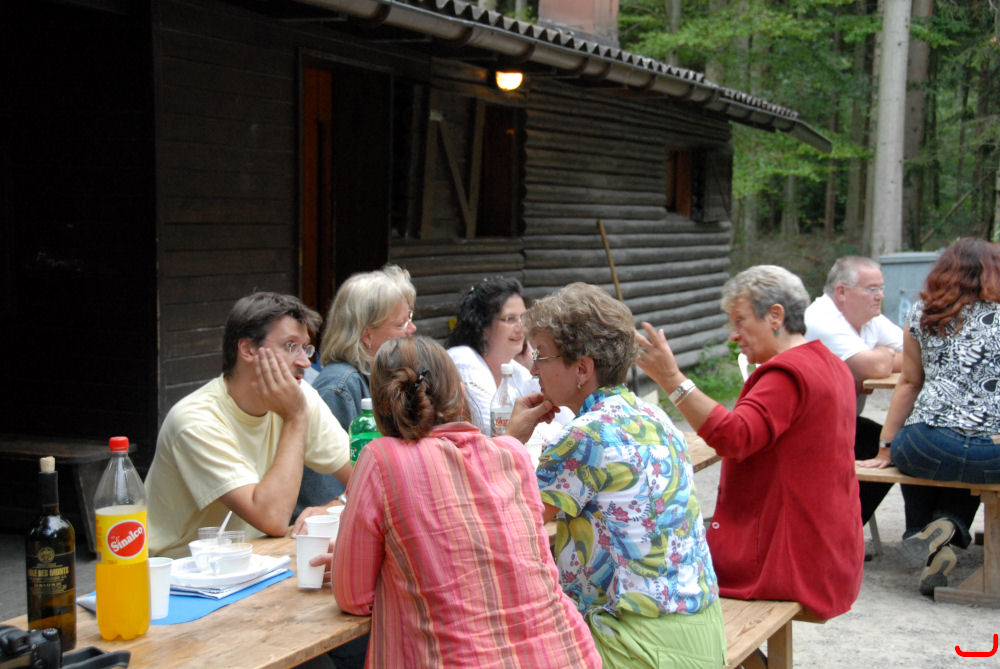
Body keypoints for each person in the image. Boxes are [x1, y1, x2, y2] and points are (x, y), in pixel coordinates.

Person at [331, 336, 601, 668]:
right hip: (569, 654)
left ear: (380, 405)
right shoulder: (512, 453)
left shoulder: (380, 458)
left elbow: (354, 597)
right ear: (460, 392)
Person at [637, 265, 864, 621]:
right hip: (828, 553)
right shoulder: (831, 364)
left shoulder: (787, 373)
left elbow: (733, 438)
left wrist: (671, 379)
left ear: (775, 316)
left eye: (740, 321)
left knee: (647, 581)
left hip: (787, 564)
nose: (733, 336)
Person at [518, 282, 725, 669]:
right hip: (702, 632)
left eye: (541, 356)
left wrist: (510, 440)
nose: (533, 370)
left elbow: (510, 520)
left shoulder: (586, 436)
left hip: (635, 643)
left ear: (582, 369)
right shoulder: (654, 417)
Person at [146, 292, 352, 558]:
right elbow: (272, 518)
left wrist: (335, 506)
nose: (305, 362)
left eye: (306, 348)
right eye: (290, 346)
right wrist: (295, 419)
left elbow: (370, 479)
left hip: (253, 560)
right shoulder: (195, 420)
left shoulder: (300, 398)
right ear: (248, 349)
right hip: (179, 570)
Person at [859, 238, 1000, 595]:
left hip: (929, 443)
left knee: (924, 456)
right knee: (973, 467)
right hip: (993, 449)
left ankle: (923, 534)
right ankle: (950, 525)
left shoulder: (923, 313)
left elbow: (909, 383)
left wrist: (887, 448)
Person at [297, 264, 416, 515]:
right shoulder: (338, 387)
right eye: (400, 323)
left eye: (410, 318)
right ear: (367, 336)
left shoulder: (383, 377)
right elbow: (322, 495)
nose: (412, 329)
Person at [804, 255, 904, 527]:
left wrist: (878, 358)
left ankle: (846, 527)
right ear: (842, 292)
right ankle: (839, 529)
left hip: (839, 422)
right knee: (890, 446)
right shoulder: (821, 319)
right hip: (804, 429)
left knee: (898, 443)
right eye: (872, 289)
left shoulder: (869, 318)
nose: (880, 295)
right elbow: (874, 367)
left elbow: (917, 354)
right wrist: (883, 356)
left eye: (881, 288)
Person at [444, 277, 537, 433]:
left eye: (523, 318)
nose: (521, 327)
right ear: (482, 326)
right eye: (510, 319)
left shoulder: (516, 370)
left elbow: (560, 418)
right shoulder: (463, 359)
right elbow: (494, 429)